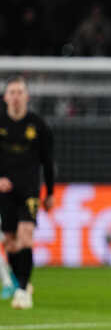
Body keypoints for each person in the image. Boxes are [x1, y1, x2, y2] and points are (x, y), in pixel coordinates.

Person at [0, 75, 55, 309]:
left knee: (26, 237)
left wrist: (50, 192)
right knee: (11, 243)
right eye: (12, 92)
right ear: (5, 97)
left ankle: (22, 290)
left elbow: (48, 162)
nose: (16, 96)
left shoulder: (38, 125)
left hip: (30, 189)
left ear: (27, 96)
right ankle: (21, 282)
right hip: (5, 191)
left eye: (20, 92)